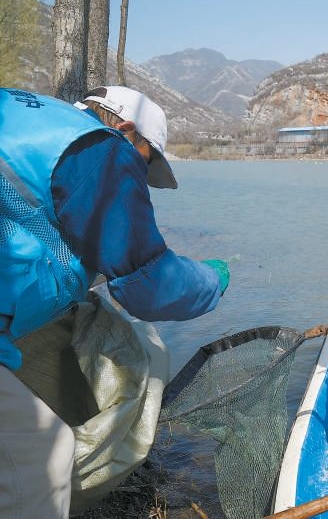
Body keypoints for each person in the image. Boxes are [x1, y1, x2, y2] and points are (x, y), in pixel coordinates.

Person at [0, 86, 230, 518]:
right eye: (143, 165)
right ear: (125, 131)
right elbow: (150, 286)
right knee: (41, 453)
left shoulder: (27, 116)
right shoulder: (98, 150)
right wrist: (212, 281)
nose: (137, 181)